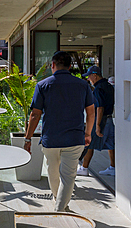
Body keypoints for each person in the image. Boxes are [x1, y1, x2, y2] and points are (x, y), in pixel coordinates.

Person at [23, 51, 95, 212]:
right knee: (68, 176)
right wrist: (88, 133)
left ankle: (59, 206)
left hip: (51, 139)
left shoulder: (42, 85)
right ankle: (60, 205)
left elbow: (35, 114)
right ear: (70, 66)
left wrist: (28, 139)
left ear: (53, 65)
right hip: (74, 138)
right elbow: (91, 112)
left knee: (52, 172)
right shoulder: (83, 85)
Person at [79, 66, 115, 176]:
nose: (89, 79)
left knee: (90, 143)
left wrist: (98, 125)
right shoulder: (109, 86)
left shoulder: (99, 89)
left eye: (89, 77)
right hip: (109, 119)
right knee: (111, 144)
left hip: (101, 120)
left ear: (95, 75)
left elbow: (100, 107)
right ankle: (113, 167)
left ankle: (84, 168)